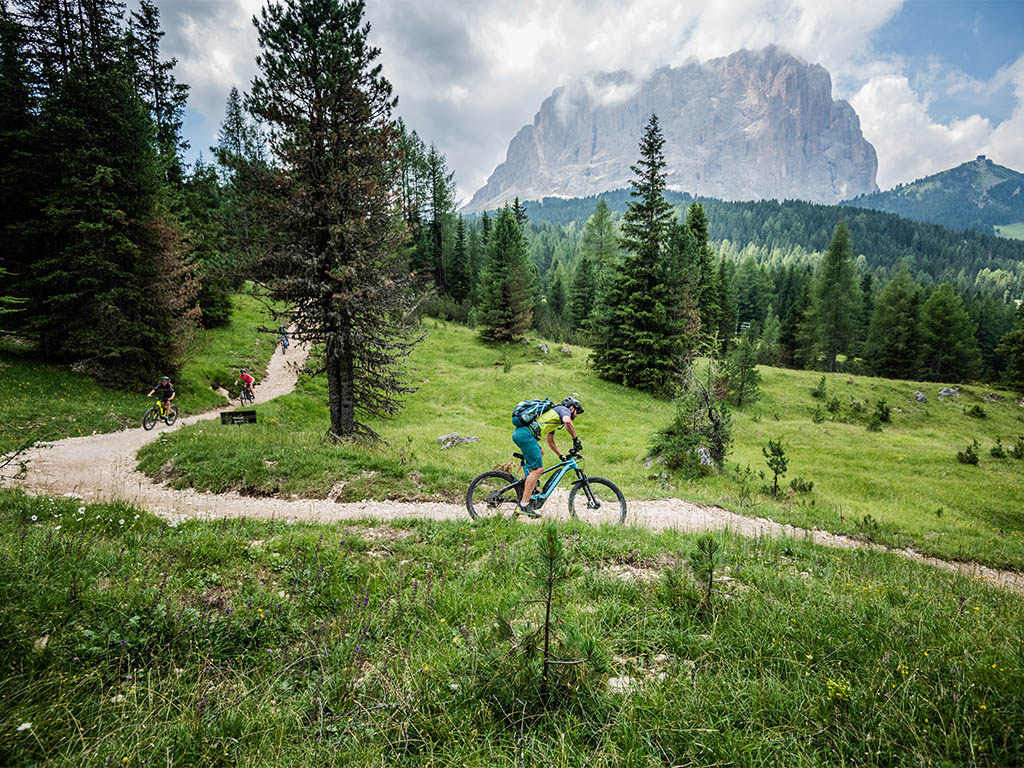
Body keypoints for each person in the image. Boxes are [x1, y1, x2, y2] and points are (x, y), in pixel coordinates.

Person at [512, 396, 583, 517]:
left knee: (541, 452)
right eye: (576, 412)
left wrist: (561, 456)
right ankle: (524, 505)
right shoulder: (563, 410)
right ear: (572, 408)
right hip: (525, 435)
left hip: (522, 434)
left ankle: (525, 486)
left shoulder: (554, 415)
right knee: (538, 469)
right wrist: (575, 439)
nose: (576, 416)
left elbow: (551, 441)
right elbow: (567, 421)